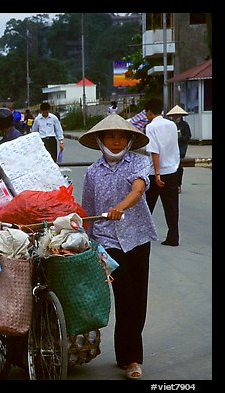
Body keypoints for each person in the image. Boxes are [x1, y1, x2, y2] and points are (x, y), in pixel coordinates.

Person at [78, 113, 157, 380]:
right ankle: (132, 358)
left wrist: (118, 208)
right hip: (107, 242)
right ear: (101, 140)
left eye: (121, 136)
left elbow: (137, 190)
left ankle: (129, 357)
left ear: (130, 140)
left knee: (137, 300)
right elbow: (87, 208)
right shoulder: (92, 172)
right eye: (110, 137)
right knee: (124, 296)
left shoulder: (139, 162)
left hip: (137, 239)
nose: (116, 141)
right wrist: (85, 242)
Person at [143, 98, 181, 247]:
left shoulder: (151, 127)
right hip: (172, 169)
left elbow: (154, 151)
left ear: (150, 112)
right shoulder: (171, 124)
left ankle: (144, 234)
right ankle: (173, 236)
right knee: (172, 206)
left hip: (156, 172)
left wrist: (157, 173)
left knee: (147, 205)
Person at [166, 105, 191, 193]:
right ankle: (172, 184)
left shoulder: (184, 125)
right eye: (174, 115)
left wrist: (179, 138)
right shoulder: (169, 124)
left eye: (177, 115)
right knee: (171, 167)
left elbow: (188, 137)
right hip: (171, 148)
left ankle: (178, 185)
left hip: (181, 148)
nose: (176, 117)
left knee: (179, 167)